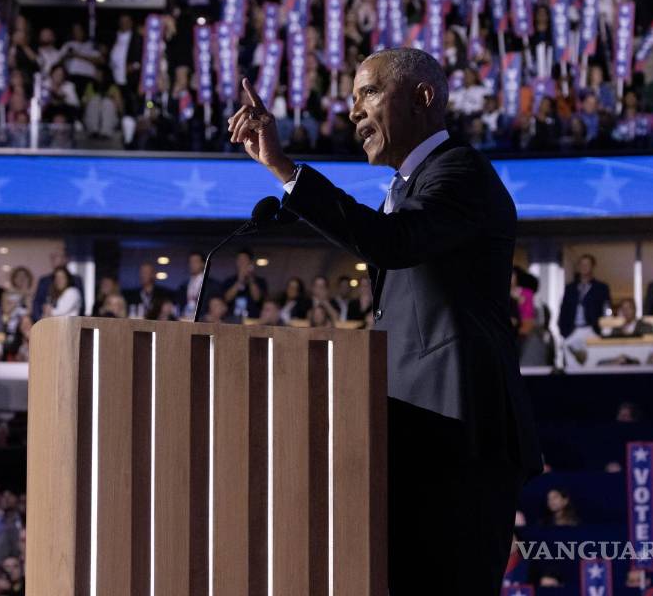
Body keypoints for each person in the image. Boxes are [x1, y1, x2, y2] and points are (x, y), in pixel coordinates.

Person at [227, 49, 541, 593]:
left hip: (461, 435)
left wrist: (286, 170)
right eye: (351, 99)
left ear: (423, 97)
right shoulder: (414, 186)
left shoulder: (459, 171)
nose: (353, 112)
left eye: (368, 93)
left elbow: (394, 242)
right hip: (414, 435)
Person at [558, 254, 612, 365]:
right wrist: (564, 331)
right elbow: (564, 311)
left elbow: (606, 309)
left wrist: (603, 330)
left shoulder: (601, 288)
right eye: (582, 264)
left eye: (587, 264)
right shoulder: (570, 288)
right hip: (572, 331)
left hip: (592, 329)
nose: (584, 267)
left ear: (593, 266)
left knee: (591, 363)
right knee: (571, 366)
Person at [221, 249, 268, 319]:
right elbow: (226, 299)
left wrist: (251, 279)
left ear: (250, 262)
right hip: (231, 318)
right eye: (239, 260)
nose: (242, 263)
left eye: (244, 260)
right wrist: (240, 280)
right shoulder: (229, 281)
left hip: (253, 319)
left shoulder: (260, 281)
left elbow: (257, 298)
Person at [177, 251, 220, 319]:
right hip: (185, 320)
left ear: (203, 264)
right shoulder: (183, 286)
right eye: (190, 262)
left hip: (203, 322)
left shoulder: (212, 284)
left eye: (195, 261)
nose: (192, 264)